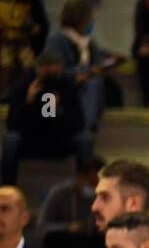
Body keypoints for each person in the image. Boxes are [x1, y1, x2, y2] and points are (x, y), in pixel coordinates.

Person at [1, 53, 93, 186]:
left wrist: (57, 111)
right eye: (45, 71)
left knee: (85, 139)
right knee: (10, 139)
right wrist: (28, 102)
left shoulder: (67, 87)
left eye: (53, 72)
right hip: (31, 140)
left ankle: (84, 188)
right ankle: (7, 188)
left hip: (60, 139)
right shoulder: (24, 87)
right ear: (37, 70)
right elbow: (12, 123)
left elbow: (78, 123)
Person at [42, 0, 121, 133]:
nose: (92, 22)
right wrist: (79, 72)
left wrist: (112, 61)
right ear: (79, 19)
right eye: (89, 19)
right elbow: (51, 69)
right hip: (66, 84)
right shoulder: (56, 41)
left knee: (97, 82)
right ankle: (87, 126)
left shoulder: (88, 43)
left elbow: (99, 60)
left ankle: (89, 125)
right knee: (93, 83)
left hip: (87, 82)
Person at [35, 155, 102, 248]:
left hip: (89, 246)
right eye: (91, 182)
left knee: (100, 246)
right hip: (63, 244)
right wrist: (67, 227)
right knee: (53, 240)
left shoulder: (102, 196)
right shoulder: (59, 193)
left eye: (97, 183)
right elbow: (41, 228)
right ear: (79, 177)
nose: (93, 187)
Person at [0, 0, 39, 93]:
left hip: (23, 42)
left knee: (28, 68)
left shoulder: (25, 7)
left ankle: (23, 93)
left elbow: (29, 24)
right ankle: (4, 95)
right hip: (5, 42)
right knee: (6, 68)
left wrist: (32, 28)